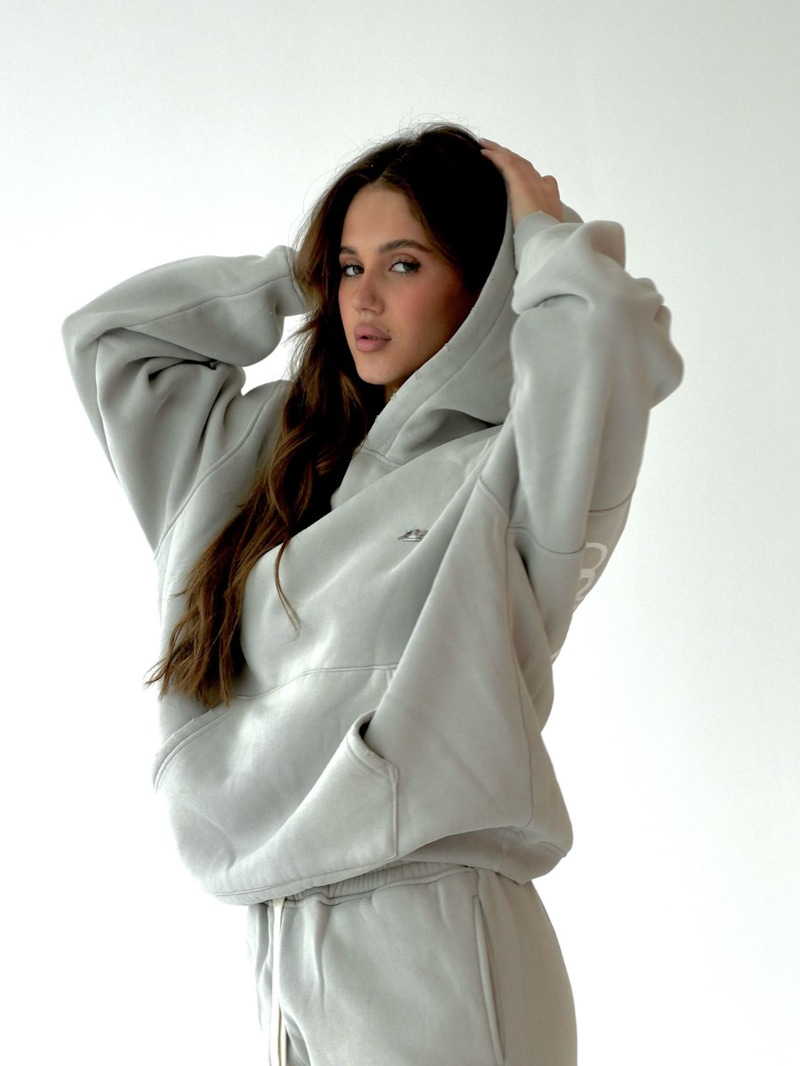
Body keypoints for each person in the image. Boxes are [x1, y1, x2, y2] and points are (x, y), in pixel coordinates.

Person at [64, 123, 683, 1065]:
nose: (363, 298)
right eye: (350, 267)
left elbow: (612, 340)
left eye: (403, 264)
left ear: (481, 282)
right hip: (282, 932)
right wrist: (295, 275)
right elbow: (110, 342)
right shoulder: (273, 460)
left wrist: (542, 232)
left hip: (435, 932)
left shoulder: (515, 466)